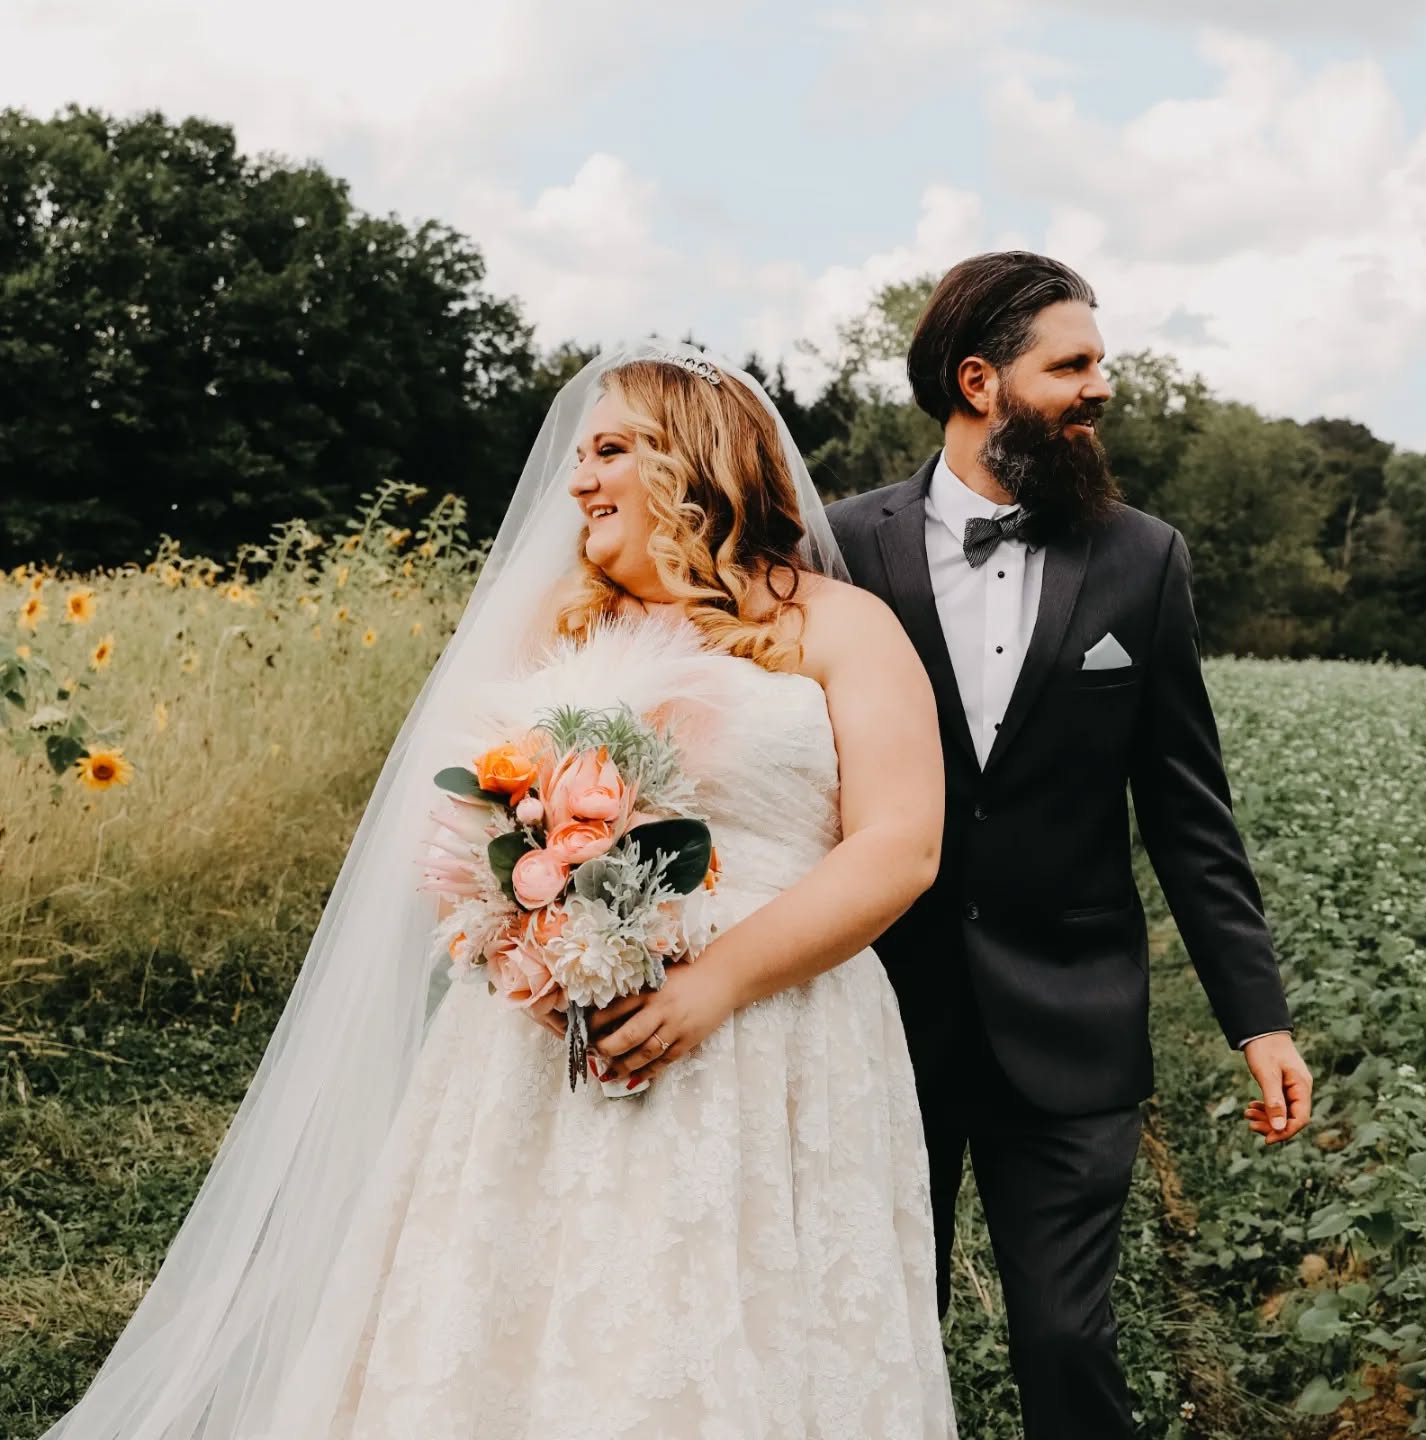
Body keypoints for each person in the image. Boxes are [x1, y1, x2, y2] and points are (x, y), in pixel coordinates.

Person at [44, 344, 960, 1439]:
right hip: (540, 1046)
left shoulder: (838, 627)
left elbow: (900, 846)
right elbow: (460, 832)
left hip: (776, 1031)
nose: (578, 481)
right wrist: (520, 939)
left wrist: (710, 986)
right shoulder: (554, 633)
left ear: (700, 458)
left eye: (612, 449)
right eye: (579, 455)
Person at [826, 251, 1314, 1439]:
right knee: (880, 1329)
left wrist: (1257, 1018)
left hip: (1075, 1016)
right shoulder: (838, 550)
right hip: (884, 1016)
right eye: (1075, 365)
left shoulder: (1144, 560)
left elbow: (1190, 813)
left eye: (1102, 362)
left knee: (1067, 1339)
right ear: (981, 380)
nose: (1102, 387)